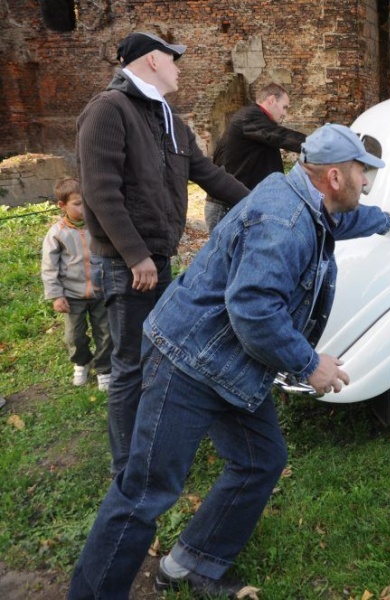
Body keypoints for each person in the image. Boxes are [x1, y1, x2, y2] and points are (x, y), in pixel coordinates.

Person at [66, 123, 390, 599]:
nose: (368, 183)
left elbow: (339, 221)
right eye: (364, 173)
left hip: (231, 365)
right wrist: (308, 364)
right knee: (145, 492)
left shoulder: (304, 198)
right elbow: (254, 310)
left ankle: (190, 565)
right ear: (336, 177)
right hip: (188, 361)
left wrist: (386, 219)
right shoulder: (284, 222)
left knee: (261, 460)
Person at [76, 31, 250, 474]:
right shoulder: (108, 111)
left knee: (156, 356)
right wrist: (135, 255)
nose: (179, 67)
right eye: (174, 59)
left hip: (158, 259)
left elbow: (209, 174)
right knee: (131, 364)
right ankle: (127, 469)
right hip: (128, 264)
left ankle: (152, 446)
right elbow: (100, 192)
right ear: (153, 60)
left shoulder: (167, 118)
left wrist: (267, 199)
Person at [204, 82, 308, 231]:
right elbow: (281, 136)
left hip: (236, 204)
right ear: (271, 100)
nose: (285, 113)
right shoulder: (250, 117)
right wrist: (318, 144)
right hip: (226, 206)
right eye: (284, 107)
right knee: (230, 254)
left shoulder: (259, 123)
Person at [41, 178, 112, 391]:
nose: (84, 208)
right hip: (72, 295)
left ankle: (104, 368)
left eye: (86, 203)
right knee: (74, 336)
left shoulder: (99, 227)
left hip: (101, 292)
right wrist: (56, 295)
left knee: (106, 333)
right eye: (77, 204)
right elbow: (49, 266)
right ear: (62, 205)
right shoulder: (57, 233)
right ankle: (82, 362)